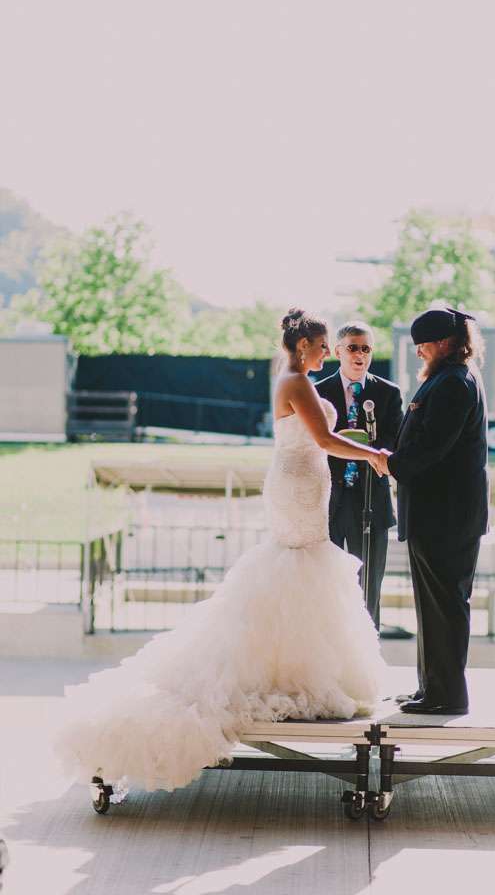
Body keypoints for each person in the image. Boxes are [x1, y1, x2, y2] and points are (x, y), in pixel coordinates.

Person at [55, 309, 389, 793]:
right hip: (297, 486)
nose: (326, 353)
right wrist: (373, 454)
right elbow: (322, 438)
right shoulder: (296, 381)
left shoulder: (293, 379)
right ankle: (292, 669)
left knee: (300, 568)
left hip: (303, 482)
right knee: (301, 564)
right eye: (321, 346)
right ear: (304, 347)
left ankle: (294, 663)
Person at [386, 308, 489, 716]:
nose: (419, 352)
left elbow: (431, 447)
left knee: (443, 606)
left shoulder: (453, 383)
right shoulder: (450, 378)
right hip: (440, 515)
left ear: (444, 343)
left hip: (445, 516)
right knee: (432, 607)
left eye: (423, 345)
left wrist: (390, 463)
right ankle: (431, 687)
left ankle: (446, 694)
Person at [315, 322, 403, 629]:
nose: (360, 355)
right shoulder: (318, 392)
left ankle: (366, 651)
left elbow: (394, 440)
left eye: (366, 349)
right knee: (324, 587)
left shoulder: (388, 393)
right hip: (328, 502)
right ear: (338, 351)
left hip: (371, 501)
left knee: (369, 590)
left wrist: (368, 446)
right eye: (353, 347)